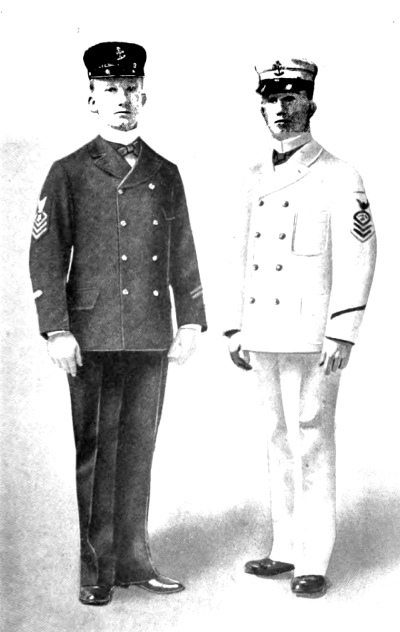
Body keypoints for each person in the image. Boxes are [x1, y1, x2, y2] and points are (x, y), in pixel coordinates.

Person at [29, 41, 207, 606]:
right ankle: (96, 571)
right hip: (93, 334)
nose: (122, 98)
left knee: (138, 451)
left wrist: (191, 321)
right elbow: (46, 255)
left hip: (151, 333)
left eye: (131, 88)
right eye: (110, 89)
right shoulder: (69, 172)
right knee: (97, 452)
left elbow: (183, 251)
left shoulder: (165, 172)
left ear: (144, 95)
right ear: (92, 99)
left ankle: (134, 561)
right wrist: (56, 328)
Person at [224, 57, 376, 598]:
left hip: (314, 334)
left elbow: (359, 253)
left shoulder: (340, 174)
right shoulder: (252, 176)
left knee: (312, 436)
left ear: (312, 103)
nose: (282, 108)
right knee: (275, 436)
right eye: (272, 98)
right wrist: (234, 327)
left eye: (292, 97)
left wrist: (343, 330)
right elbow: (237, 253)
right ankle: (284, 548)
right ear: (261, 107)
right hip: (263, 329)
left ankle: (314, 559)